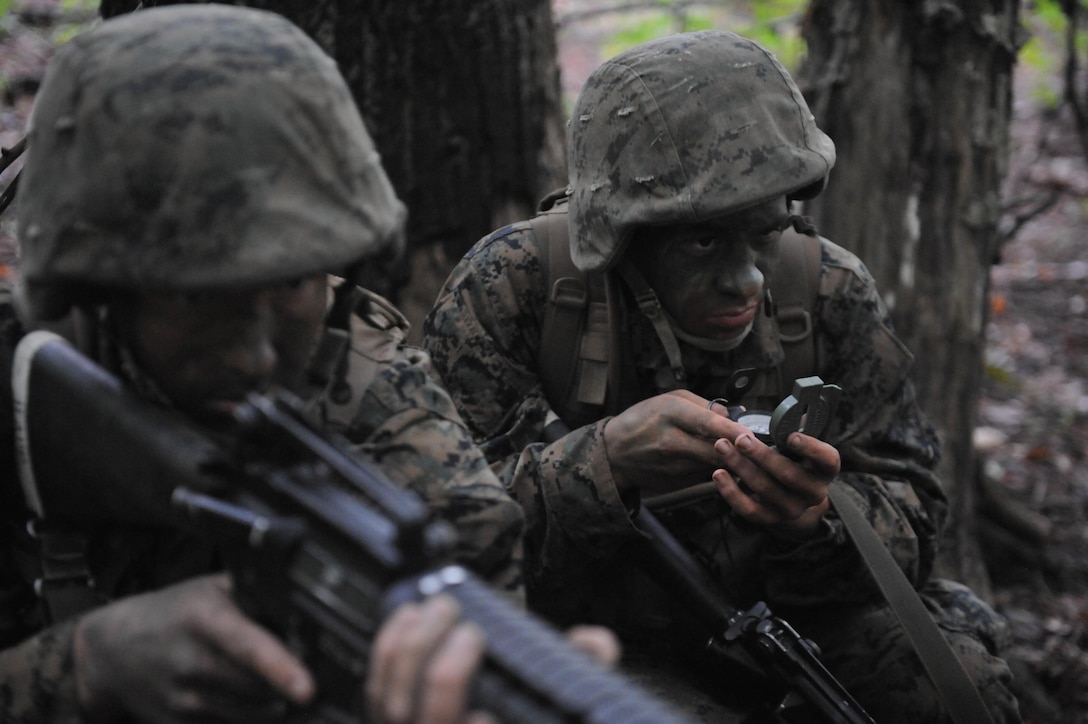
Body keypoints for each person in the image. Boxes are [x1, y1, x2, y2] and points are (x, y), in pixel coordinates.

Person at [423, 30, 1023, 723]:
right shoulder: (515, 287)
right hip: (591, 635)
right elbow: (445, 540)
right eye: (704, 241)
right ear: (623, 239)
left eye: (765, 232)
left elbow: (917, 509)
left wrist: (819, 519)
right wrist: (603, 463)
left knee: (957, 692)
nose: (745, 281)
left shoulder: (826, 289)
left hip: (793, 619)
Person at [0, 6, 556, 722]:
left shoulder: (375, 396)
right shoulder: (23, 384)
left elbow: (482, 587)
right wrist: (79, 666)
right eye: (203, 298)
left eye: (294, 283)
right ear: (95, 291)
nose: (258, 354)